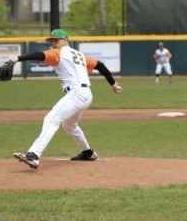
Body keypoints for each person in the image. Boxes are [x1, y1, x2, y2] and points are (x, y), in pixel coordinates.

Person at [9, 29, 122, 169]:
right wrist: (113, 84)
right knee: (70, 125)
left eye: (56, 40)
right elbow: (101, 66)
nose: (53, 43)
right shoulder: (79, 54)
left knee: (51, 119)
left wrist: (17, 59)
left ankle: (33, 155)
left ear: (65, 40)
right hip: (85, 94)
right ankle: (87, 152)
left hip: (76, 93)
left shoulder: (59, 52)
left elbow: (39, 54)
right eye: (51, 41)